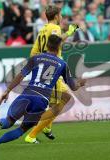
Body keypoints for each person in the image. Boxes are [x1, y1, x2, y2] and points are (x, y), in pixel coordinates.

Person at [0, 34, 86, 150]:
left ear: (47, 45)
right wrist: (80, 83)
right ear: (59, 47)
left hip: (27, 94)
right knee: (22, 129)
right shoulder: (62, 64)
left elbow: (20, 76)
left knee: (9, 120)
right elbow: (73, 87)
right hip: (41, 100)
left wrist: (7, 90)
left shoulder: (36, 58)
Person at [25, 4, 79, 143]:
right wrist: (70, 32)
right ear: (56, 16)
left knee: (56, 102)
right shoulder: (55, 28)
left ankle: (47, 127)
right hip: (53, 68)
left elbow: (33, 53)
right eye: (60, 15)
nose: (61, 17)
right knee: (61, 101)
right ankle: (31, 135)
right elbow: (56, 42)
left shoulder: (42, 30)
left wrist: (40, 64)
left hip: (47, 68)